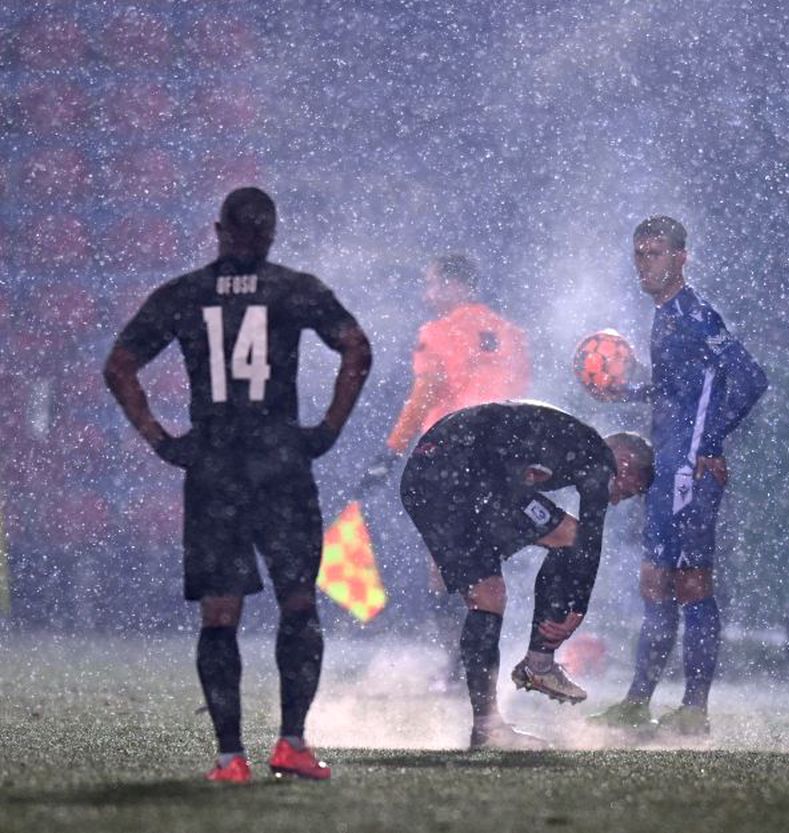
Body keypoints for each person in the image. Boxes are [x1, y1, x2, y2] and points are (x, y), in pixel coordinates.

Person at [103, 187, 372, 783]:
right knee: (298, 601)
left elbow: (118, 365)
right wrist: (327, 426)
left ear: (218, 229)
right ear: (271, 232)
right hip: (279, 461)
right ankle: (292, 743)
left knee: (220, 614)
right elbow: (356, 346)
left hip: (216, 464)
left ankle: (230, 759)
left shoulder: (185, 294)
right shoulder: (293, 289)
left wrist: (160, 438)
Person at [590, 216, 768, 736]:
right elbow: (679, 390)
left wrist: (708, 443)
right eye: (639, 254)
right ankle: (638, 700)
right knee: (656, 581)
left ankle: (694, 708)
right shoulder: (664, 315)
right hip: (669, 464)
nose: (644, 263)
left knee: (690, 584)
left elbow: (751, 377)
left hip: (690, 468)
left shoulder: (694, 314)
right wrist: (625, 392)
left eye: (655, 253)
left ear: (680, 258)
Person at [399, 401, 653, 749]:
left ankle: (487, 728)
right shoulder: (598, 460)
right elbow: (590, 540)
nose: (619, 500)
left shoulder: (567, 440)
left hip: (425, 479)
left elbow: (495, 435)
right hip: (462, 477)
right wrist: (578, 610)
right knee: (571, 537)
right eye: (630, 490)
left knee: (488, 595)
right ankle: (539, 663)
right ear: (625, 466)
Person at [361, 253, 530, 485]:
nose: (426, 295)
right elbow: (522, 386)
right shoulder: (511, 333)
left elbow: (425, 392)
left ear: (453, 285)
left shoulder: (437, 333)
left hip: (452, 448)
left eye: (431, 284)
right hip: (511, 445)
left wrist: (392, 451)